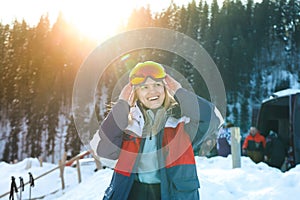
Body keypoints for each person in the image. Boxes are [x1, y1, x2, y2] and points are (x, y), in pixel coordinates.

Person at [95, 61, 223, 200]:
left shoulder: (180, 124)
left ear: (166, 88)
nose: (152, 91)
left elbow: (213, 119)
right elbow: (104, 149)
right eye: (144, 87)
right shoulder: (128, 126)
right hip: (132, 192)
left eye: (157, 85)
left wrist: (179, 92)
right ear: (135, 93)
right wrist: (122, 104)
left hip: (170, 193)